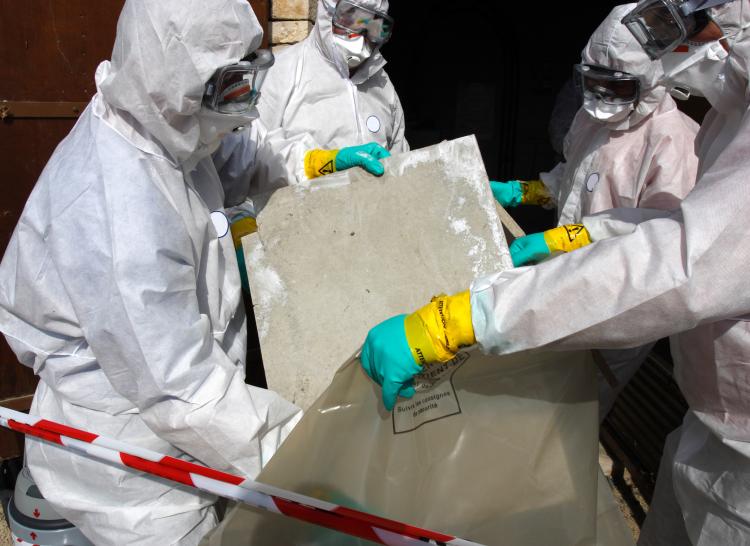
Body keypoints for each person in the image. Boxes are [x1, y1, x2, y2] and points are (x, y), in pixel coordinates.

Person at [0, 0, 390, 543]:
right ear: (176, 81)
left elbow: (232, 154)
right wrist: (316, 457)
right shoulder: (121, 214)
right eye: (231, 86)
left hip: (172, 417)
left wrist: (311, 162)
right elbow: (186, 392)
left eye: (249, 76)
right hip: (132, 465)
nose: (247, 105)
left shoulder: (157, 119)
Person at [360, 1, 750, 544]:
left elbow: (677, 261)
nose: (680, 39)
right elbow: (591, 183)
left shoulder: (675, 136)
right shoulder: (718, 114)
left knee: (559, 419)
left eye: (690, 20)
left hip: (725, 447)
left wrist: (469, 316)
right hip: (707, 427)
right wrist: (538, 200)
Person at [497, 4, 701, 420]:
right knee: (537, 391)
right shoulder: (590, 120)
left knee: (575, 412)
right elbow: (574, 177)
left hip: (618, 301)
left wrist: (562, 239)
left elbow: (660, 241)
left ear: (650, 80)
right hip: (563, 279)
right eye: (592, 83)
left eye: (619, 88)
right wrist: (525, 191)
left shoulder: (673, 141)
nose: (602, 97)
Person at [257, 0, 409, 171]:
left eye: (373, 25)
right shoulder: (281, 72)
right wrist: (322, 165)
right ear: (328, 12)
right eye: (350, 19)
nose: (358, 36)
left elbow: (399, 162)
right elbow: (252, 158)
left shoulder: (382, 85)